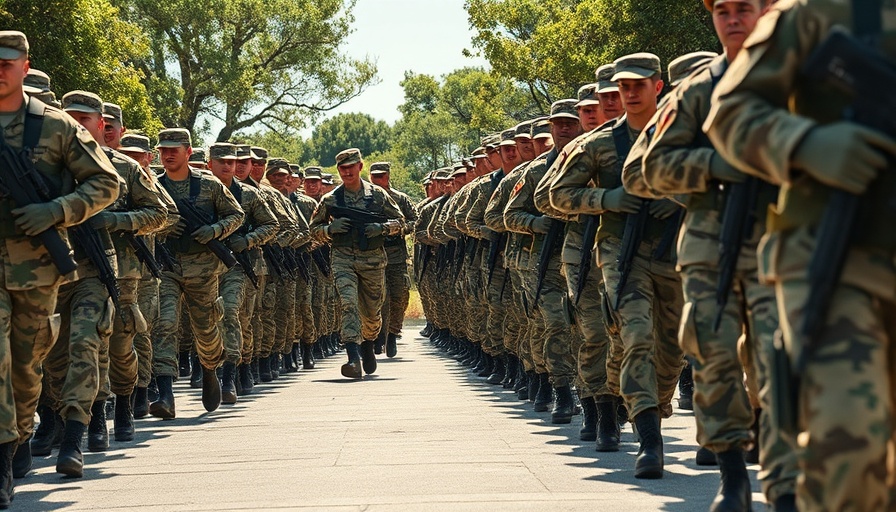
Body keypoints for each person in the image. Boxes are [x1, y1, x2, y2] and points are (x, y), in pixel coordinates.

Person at [705, 1, 896, 509]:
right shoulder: (815, 13)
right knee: (847, 446)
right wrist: (805, 142)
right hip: (838, 265)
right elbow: (730, 110)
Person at [549, 53, 685, 479]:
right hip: (620, 251)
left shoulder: (685, 133)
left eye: (638, 85)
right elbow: (557, 195)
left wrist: (678, 197)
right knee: (637, 335)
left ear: (657, 87)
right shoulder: (597, 144)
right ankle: (650, 441)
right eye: (622, 87)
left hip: (676, 251)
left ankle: (650, 404)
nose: (629, 93)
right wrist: (607, 200)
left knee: (674, 352)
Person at [0, 30, 120, 506]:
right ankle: (3, 459)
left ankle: (20, 433)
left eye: (8, 61)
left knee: (28, 368)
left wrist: (58, 211)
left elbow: (104, 182)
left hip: (37, 269)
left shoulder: (54, 126)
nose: (0, 68)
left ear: (26, 66)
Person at [151, 128, 245, 418]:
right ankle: (165, 394)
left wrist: (215, 230)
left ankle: (209, 369)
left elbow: (237, 215)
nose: (167, 154)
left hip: (203, 270)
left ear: (188, 152)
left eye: (174, 149)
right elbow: (144, 217)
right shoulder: (153, 185)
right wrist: (163, 226)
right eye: (163, 150)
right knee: (164, 323)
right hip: (167, 267)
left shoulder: (209, 185)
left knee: (205, 329)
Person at [308, 148, 404, 379]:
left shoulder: (378, 196)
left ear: (360, 166)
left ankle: (368, 342)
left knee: (371, 312)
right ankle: (352, 356)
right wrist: (329, 229)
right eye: (342, 168)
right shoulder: (330, 200)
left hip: (372, 260)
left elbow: (402, 221)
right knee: (348, 303)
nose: (347, 172)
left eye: (351, 167)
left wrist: (382, 228)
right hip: (342, 259)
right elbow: (312, 231)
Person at [207, 143, 277, 403]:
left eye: (231, 161)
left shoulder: (248, 195)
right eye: (221, 161)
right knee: (208, 321)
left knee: (235, 315)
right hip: (202, 266)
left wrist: (247, 240)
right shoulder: (199, 191)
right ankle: (212, 369)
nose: (227, 166)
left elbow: (271, 225)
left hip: (240, 265)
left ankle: (233, 372)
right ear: (209, 163)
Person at [369, 162, 418, 358]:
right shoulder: (366, 199)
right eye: (374, 176)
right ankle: (378, 335)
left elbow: (415, 220)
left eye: (381, 176)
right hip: (373, 254)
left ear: (388, 176)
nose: (378, 180)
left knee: (399, 296)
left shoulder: (400, 198)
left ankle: (392, 333)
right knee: (378, 298)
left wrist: (399, 229)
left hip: (396, 255)